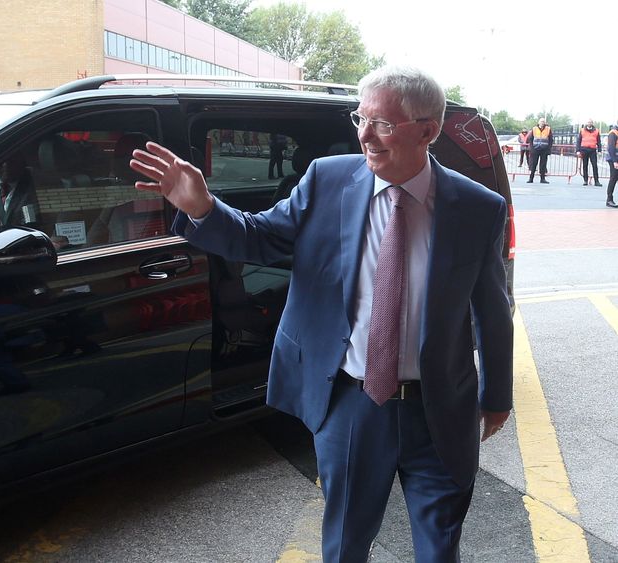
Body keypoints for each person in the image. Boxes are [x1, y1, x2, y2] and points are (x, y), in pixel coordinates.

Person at [130, 65, 513, 563]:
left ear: (429, 131)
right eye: (361, 117)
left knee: (441, 546)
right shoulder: (327, 181)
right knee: (346, 542)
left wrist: (496, 395)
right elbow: (258, 237)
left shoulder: (478, 207)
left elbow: (492, 307)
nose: (364, 135)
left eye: (383, 124)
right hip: (353, 404)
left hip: (440, 407)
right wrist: (203, 207)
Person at [0, 153, 39, 229]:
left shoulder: (35, 186)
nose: (5, 164)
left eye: (11, 157)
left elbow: (32, 225)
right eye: (0, 158)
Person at [576, 119, 602, 186]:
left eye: (591, 122)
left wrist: (599, 150)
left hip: (593, 150)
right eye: (588, 122)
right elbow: (578, 141)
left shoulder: (596, 131)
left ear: (592, 123)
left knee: (594, 165)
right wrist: (578, 150)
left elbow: (599, 141)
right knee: (585, 165)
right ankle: (585, 180)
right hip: (584, 149)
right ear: (586, 123)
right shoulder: (582, 130)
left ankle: (596, 181)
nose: (589, 123)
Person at [527, 117, 553, 184]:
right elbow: (530, 139)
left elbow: (550, 140)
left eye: (543, 121)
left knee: (543, 165)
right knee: (533, 164)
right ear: (539, 122)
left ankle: (542, 179)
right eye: (541, 121)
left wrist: (549, 149)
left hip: (544, 149)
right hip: (535, 149)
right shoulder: (534, 129)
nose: (542, 123)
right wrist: (532, 148)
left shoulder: (548, 129)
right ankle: (531, 178)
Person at [605, 124, 618, 207]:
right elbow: (611, 148)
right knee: (613, 178)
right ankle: (609, 200)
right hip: (614, 158)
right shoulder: (613, 133)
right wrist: (615, 161)